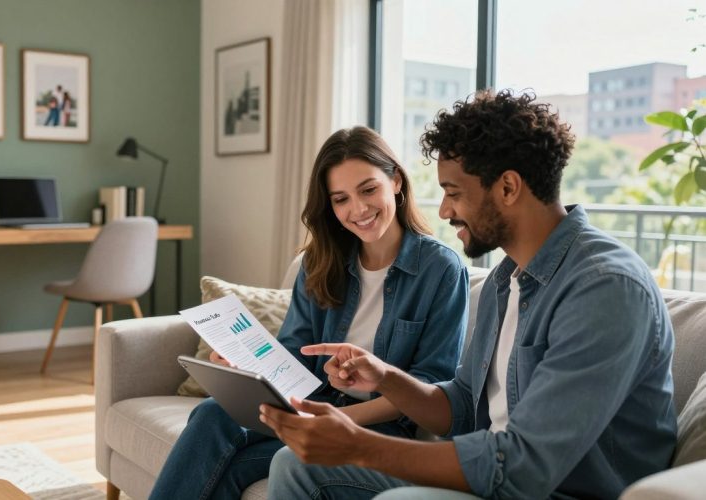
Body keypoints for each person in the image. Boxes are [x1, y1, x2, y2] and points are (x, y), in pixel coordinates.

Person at [262, 89, 677, 500]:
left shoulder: (604, 289)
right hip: (495, 474)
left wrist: (357, 444)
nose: (443, 211)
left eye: (454, 192)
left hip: (549, 489)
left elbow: (524, 467)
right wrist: (386, 377)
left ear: (508, 188)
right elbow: (462, 404)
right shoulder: (507, 278)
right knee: (294, 466)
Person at [149, 126, 470, 500]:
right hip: (310, 407)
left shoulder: (441, 269)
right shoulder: (320, 261)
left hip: (379, 430)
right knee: (211, 413)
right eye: (340, 199)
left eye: (368, 190)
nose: (358, 210)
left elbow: (431, 385)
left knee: (232, 468)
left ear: (395, 181)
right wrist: (245, 368)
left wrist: (340, 421)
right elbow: (292, 353)